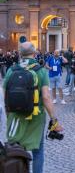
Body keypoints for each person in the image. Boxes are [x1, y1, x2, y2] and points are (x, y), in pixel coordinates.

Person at [3, 42, 63, 173]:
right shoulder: (40, 70)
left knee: (15, 149)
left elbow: (5, 96)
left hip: (15, 116)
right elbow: (47, 97)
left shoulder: (11, 70)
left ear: (19, 53)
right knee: (38, 150)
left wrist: (9, 115)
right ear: (34, 53)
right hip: (36, 116)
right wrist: (54, 119)